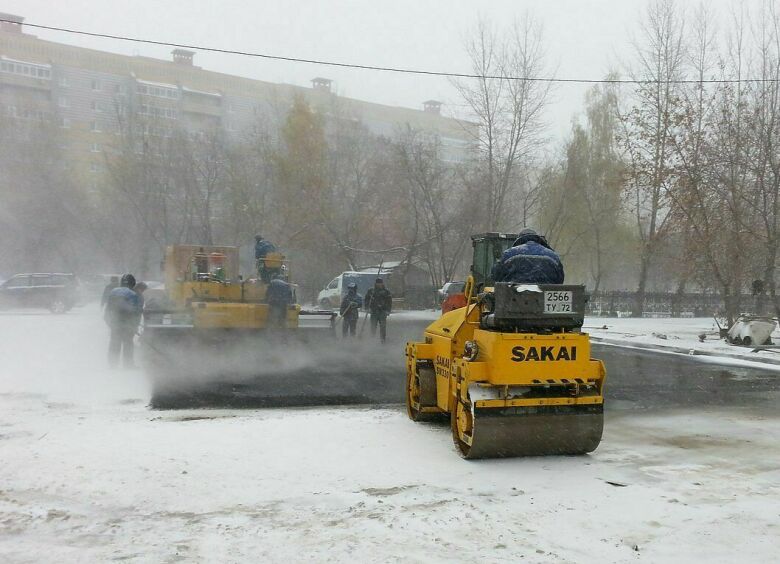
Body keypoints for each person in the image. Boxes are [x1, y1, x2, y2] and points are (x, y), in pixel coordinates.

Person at [492, 228, 564, 284]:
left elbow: (496, 275)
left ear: (519, 239)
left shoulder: (509, 254)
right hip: (545, 299)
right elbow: (560, 280)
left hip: (513, 298)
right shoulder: (553, 255)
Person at [105, 273, 143, 368]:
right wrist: (135, 325)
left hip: (115, 322)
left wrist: (110, 322)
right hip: (127, 323)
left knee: (114, 342)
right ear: (132, 283)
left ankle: (112, 363)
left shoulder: (113, 292)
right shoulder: (133, 294)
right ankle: (128, 364)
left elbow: (108, 308)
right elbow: (136, 311)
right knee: (128, 343)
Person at [364, 278, 392, 343]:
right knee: (373, 326)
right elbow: (366, 299)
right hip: (374, 311)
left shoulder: (386, 291)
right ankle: (372, 339)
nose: (379, 284)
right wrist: (367, 307)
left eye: (380, 283)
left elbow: (389, 302)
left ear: (382, 283)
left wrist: (388, 310)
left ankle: (383, 340)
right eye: (378, 283)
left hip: (383, 311)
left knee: (383, 327)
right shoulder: (371, 291)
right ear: (375, 283)